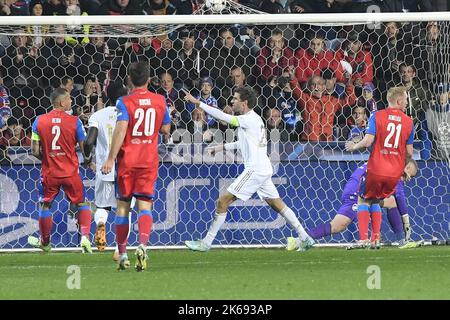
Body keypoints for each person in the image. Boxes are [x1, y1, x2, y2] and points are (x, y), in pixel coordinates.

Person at [182, 86, 314, 252]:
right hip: (263, 168)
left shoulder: (247, 119)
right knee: (277, 204)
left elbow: (224, 117)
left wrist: (198, 102)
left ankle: (206, 243)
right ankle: (305, 237)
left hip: (255, 170)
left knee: (222, 201)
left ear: (244, 103)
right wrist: (222, 146)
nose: (232, 101)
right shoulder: (254, 119)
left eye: (235, 99)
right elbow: (244, 143)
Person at [101, 62, 171, 271]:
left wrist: (111, 158)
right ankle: (142, 245)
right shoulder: (160, 100)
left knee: (123, 207)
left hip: (127, 162)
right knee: (145, 205)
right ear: (149, 79)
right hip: (148, 161)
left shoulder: (124, 101)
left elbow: (121, 130)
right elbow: (166, 129)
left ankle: (122, 254)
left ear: (129, 79)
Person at [345, 86, 414, 249]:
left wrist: (354, 146)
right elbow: (409, 153)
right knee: (376, 199)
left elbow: (368, 141)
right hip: (395, 173)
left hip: (377, 168)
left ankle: (363, 239)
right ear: (399, 101)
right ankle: (375, 239)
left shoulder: (377, 116)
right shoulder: (409, 122)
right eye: (405, 99)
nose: (406, 102)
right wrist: (403, 169)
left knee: (363, 198)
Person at [28, 88, 93, 253]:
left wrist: (50, 159)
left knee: (45, 205)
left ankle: (45, 242)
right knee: (81, 203)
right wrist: (87, 160)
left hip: (50, 173)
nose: (71, 102)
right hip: (71, 172)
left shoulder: (39, 121)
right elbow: (84, 146)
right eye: (70, 99)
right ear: (62, 102)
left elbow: (35, 150)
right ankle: (85, 237)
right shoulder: (75, 121)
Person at [307, 160, 423, 249]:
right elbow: (399, 195)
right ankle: (303, 238)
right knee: (338, 226)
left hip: (362, 189)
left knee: (390, 202)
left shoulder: (389, 161)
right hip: (355, 192)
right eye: (410, 176)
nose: (408, 179)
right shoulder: (396, 169)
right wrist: (406, 222)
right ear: (406, 167)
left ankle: (401, 240)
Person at [84, 81, 132, 254]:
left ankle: (101, 224)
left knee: (103, 207)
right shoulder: (129, 114)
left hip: (105, 167)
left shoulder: (98, 115)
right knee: (126, 209)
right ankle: (121, 250)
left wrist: (88, 159)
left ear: (106, 96)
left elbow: (89, 141)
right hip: (126, 167)